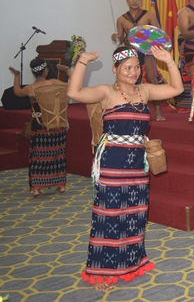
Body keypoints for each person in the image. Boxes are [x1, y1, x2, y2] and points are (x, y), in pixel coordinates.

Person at [67, 45, 183, 291]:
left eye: (136, 67)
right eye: (126, 68)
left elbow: (177, 89)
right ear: (115, 69)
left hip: (137, 166)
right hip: (111, 165)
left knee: (134, 216)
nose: (132, 72)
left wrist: (168, 61)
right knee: (108, 216)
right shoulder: (106, 92)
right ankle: (101, 271)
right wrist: (83, 61)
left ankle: (132, 263)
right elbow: (74, 92)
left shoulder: (145, 91)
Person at [9, 59, 70, 197]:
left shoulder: (31, 88)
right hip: (57, 125)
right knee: (58, 155)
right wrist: (67, 70)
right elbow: (74, 86)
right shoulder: (55, 82)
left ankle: (37, 188)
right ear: (46, 70)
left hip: (39, 126)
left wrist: (16, 76)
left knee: (38, 157)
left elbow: (17, 92)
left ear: (33, 72)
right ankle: (60, 186)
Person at [111, 0, 166, 121]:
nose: (135, 1)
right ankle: (127, 107)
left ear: (141, 0)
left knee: (152, 79)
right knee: (129, 80)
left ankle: (158, 111)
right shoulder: (121, 19)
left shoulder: (148, 15)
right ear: (127, 1)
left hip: (146, 51)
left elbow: (159, 32)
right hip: (130, 52)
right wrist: (115, 37)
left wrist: (147, 37)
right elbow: (120, 38)